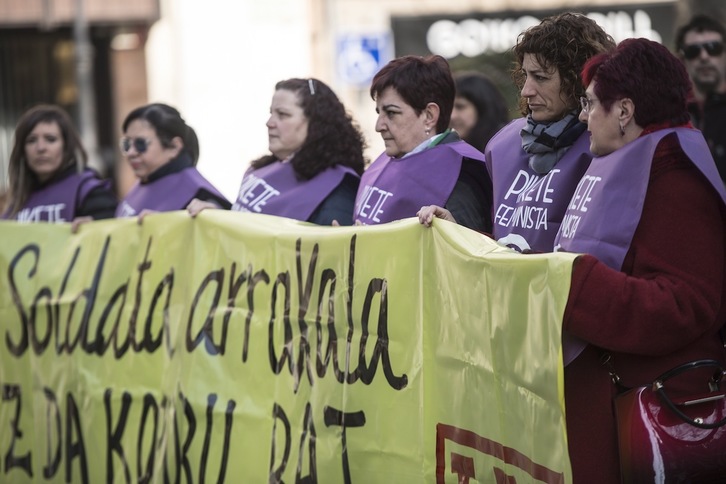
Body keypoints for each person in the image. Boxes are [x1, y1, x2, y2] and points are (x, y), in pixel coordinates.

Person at [555, 38, 726, 483]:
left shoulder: (676, 180)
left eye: (591, 103)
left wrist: (572, 285)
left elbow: (685, 304)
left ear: (625, 111)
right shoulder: (623, 164)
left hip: (650, 419)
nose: (582, 116)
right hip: (610, 413)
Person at [422, 14, 617, 250]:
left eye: (541, 77)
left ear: (578, 80)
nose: (526, 90)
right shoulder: (502, 145)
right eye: (526, 75)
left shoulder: (607, 144)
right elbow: (496, 242)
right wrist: (458, 231)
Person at [188, 78, 365, 225]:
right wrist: (219, 214)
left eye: (283, 115)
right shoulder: (262, 168)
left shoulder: (337, 187)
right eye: (271, 113)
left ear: (316, 124)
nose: (270, 122)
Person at [355, 54, 492, 232]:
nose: (378, 126)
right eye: (379, 112)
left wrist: (455, 232)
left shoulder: (462, 173)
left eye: (391, 113)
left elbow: (474, 252)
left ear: (429, 116)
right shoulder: (387, 161)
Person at [1, 104, 117, 224]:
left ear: (66, 147)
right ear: (22, 151)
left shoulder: (87, 191)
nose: (41, 148)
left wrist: (96, 224)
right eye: (31, 140)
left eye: (50, 139)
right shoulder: (14, 202)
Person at [116, 103, 230, 217]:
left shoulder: (201, 198)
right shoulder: (146, 181)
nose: (131, 153)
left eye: (140, 144)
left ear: (174, 147)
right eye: (126, 144)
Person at [675, 14, 726, 183]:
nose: (704, 56)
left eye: (713, 48)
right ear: (682, 58)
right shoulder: (672, 111)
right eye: (693, 51)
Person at [450, 71, 509, 153]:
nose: (452, 116)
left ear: (482, 107)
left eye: (460, 107)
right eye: (449, 108)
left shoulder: (507, 145)